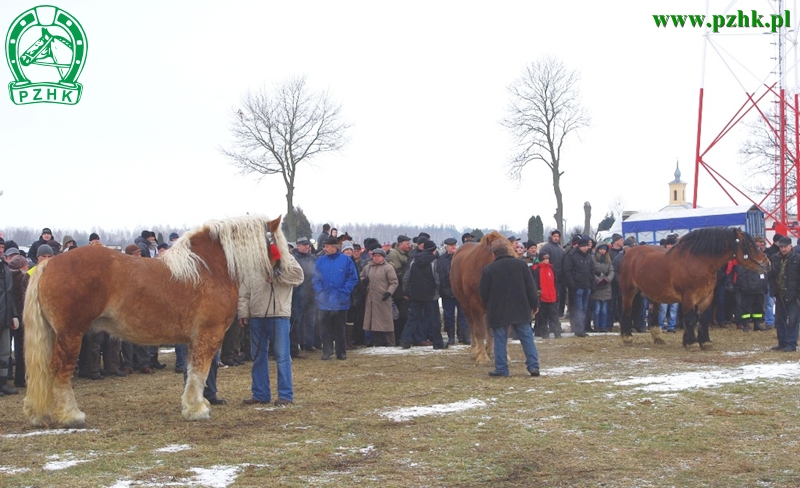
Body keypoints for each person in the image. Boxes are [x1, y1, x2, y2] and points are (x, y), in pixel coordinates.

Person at [240, 241, 304, 405]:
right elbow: (244, 291)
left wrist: (277, 277)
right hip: (256, 316)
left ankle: (285, 395)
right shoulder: (252, 263)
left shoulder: (286, 259)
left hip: (279, 315)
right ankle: (260, 393)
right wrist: (243, 312)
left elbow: (298, 276)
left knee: (282, 357)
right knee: (258, 357)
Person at [479, 239, 540, 377]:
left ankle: (502, 369)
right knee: (527, 337)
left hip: (498, 309)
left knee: (500, 339)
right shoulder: (521, 265)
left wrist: (490, 304)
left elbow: (483, 292)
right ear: (508, 250)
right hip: (520, 307)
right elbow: (531, 287)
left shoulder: (488, 270)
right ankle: (533, 366)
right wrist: (534, 304)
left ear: (494, 254)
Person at [313, 237, 359, 360]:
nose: (325, 249)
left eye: (327, 246)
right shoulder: (320, 261)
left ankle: (341, 351)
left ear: (335, 247)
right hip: (324, 301)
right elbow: (315, 278)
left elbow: (352, 278)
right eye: (324, 246)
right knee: (325, 327)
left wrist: (344, 291)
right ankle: (327, 351)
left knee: (340, 327)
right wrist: (319, 292)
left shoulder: (346, 261)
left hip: (340, 301)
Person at [400, 239, 446, 349]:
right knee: (435, 319)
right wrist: (440, 292)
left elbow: (406, 278)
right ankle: (438, 343)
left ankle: (405, 340)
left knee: (412, 319)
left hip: (415, 294)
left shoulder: (414, 260)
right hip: (431, 295)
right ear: (434, 250)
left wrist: (406, 291)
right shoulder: (434, 261)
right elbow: (438, 279)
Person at [360, 248, 399, 346]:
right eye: (375, 256)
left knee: (386, 321)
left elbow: (394, 282)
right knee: (374, 321)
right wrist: (363, 281)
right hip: (371, 299)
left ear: (383, 257)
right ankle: (378, 342)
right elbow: (361, 277)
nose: (376, 258)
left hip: (383, 298)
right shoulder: (368, 267)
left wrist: (389, 292)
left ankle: (390, 342)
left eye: (379, 256)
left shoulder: (388, 268)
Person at [767, 236, 800, 352]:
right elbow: (770, 276)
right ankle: (782, 343)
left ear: (791, 246)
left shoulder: (797, 259)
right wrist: (772, 290)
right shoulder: (774, 258)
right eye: (781, 247)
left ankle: (791, 344)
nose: (783, 249)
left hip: (793, 295)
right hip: (779, 294)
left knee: (792, 321)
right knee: (780, 321)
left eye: (785, 247)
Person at [438, 237, 469, 345]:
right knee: (449, 316)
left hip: (460, 293)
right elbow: (441, 276)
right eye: (451, 246)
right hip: (448, 292)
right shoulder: (441, 259)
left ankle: (464, 336)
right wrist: (446, 291)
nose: (454, 247)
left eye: (455, 245)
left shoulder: (461, 258)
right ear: (446, 247)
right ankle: (451, 336)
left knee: (463, 315)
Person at [290, 236, 318, 354]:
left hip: (311, 293)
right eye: (304, 244)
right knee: (297, 321)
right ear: (298, 246)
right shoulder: (293, 258)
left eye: (308, 245)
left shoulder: (313, 258)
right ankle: (295, 346)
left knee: (310, 320)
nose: (307, 247)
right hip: (297, 294)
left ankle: (308, 343)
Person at [563, 237, 593, 337]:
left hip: (586, 286)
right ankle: (578, 329)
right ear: (579, 246)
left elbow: (591, 271)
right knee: (578, 309)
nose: (585, 248)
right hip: (577, 287)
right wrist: (572, 285)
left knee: (584, 309)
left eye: (586, 246)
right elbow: (567, 271)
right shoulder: (571, 256)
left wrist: (592, 283)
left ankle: (582, 328)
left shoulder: (589, 257)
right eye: (583, 246)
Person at [0, 252, 20, 396]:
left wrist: (13, 315)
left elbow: (9, 293)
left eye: (1, 247)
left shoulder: (5, 267)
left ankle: (3, 384)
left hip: (5, 316)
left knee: (5, 352)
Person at [388, 235, 413, 342]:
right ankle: (398, 338)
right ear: (400, 244)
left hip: (405, 287)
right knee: (400, 315)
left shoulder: (407, 254)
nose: (409, 246)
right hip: (399, 289)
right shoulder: (394, 254)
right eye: (407, 244)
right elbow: (397, 271)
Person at [532, 252, 561, 338]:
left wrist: (556, 294)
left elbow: (555, 282)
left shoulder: (552, 268)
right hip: (542, 297)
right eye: (544, 259)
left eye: (548, 258)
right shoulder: (536, 269)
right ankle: (544, 332)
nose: (546, 260)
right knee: (542, 317)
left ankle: (557, 332)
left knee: (554, 316)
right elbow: (535, 283)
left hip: (552, 296)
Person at [590, 243, 615, 332]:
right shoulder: (593, 259)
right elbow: (591, 271)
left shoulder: (608, 260)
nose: (602, 251)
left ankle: (603, 326)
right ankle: (596, 326)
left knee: (604, 309)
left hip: (606, 286)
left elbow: (612, 271)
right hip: (597, 286)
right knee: (597, 309)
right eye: (601, 249)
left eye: (604, 250)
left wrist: (608, 279)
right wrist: (598, 280)